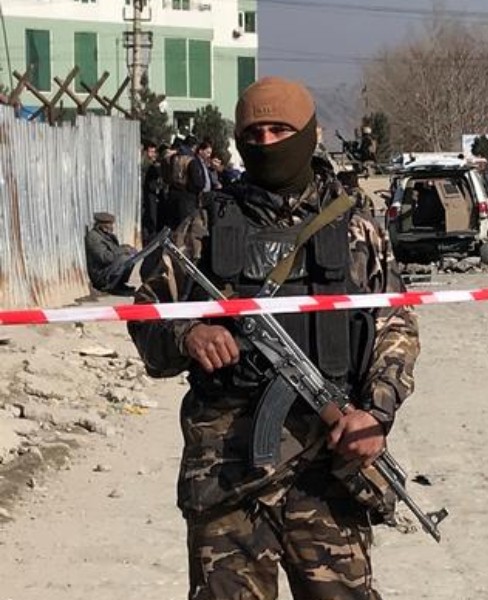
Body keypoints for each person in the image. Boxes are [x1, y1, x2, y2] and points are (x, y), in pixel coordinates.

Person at [128, 76, 419, 600]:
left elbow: (396, 326)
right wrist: (188, 332)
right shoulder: (204, 226)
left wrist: (375, 413)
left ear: (309, 134)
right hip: (226, 475)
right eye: (254, 133)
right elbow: (146, 314)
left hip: (328, 468)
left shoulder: (357, 228)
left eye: (280, 129)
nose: (266, 143)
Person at [84, 212, 138, 295]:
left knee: (131, 257)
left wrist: (127, 248)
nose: (111, 227)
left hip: (107, 270)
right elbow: (106, 258)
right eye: (109, 224)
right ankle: (111, 286)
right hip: (100, 275)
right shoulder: (94, 237)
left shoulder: (107, 235)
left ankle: (119, 284)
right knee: (124, 259)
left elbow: (114, 250)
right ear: (101, 224)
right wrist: (123, 250)